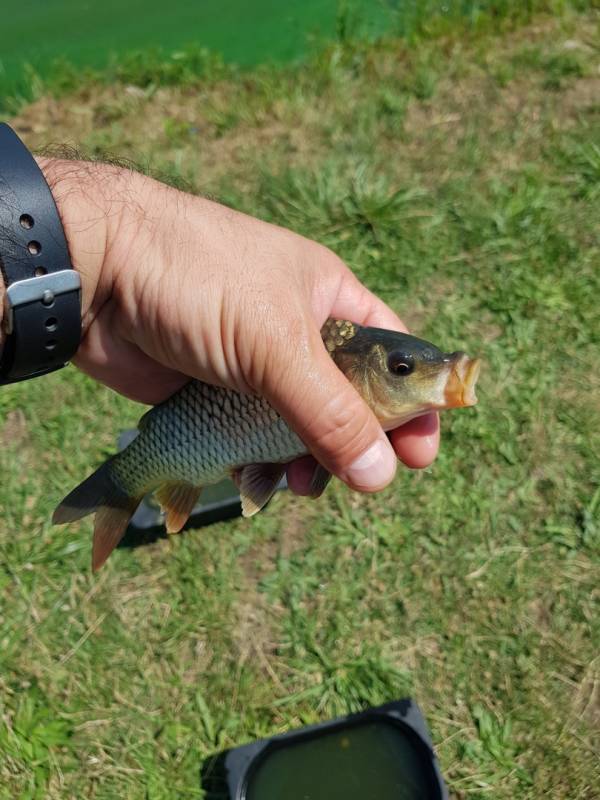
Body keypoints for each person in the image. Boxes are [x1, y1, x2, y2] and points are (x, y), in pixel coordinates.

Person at [0, 143, 439, 496]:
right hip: (181, 433)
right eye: (402, 369)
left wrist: (114, 246)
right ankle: (120, 488)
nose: (417, 374)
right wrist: (115, 246)